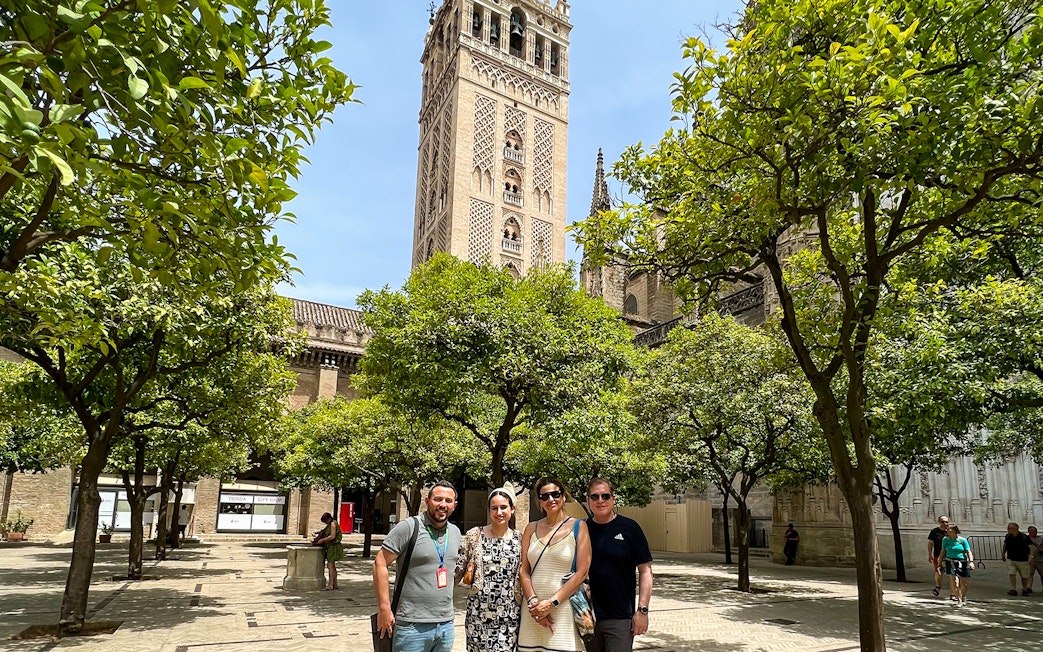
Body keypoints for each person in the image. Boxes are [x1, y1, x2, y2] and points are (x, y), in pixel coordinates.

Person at [374, 481, 461, 652]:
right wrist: (384, 609)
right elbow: (380, 563)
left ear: (455, 505)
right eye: (438, 499)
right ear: (427, 501)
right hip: (411, 626)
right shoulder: (409, 527)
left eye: (448, 501)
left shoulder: (455, 532)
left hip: (445, 625)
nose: (443, 505)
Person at [519, 476, 591, 652]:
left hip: (563, 609)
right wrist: (535, 605)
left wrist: (551, 604)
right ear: (539, 502)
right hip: (532, 611)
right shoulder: (531, 528)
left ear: (563, 497)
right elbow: (524, 570)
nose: (550, 499)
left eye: (555, 494)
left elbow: (582, 572)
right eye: (545, 496)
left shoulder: (578, 526)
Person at [585, 478, 653, 652]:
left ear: (613, 499)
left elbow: (645, 571)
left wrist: (642, 611)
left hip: (620, 618)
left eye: (605, 496)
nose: (600, 501)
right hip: (586, 617)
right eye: (595, 497)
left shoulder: (630, 528)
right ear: (588, 501)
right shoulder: (581, 530)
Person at [455, 483, 522, 652]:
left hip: (509, 612)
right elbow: (456, 570)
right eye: (494, 508)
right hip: (478, 612)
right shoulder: (474, 535)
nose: (499, 512)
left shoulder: (520, 539)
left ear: (512, 509)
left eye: (503, 507)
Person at [937, 524, 974, 605]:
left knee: (964, 582)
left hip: (962, 562)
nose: (947, 531)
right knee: (954, 581)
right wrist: (939, 562)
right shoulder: (945, 540)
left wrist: (971, 561)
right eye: (947, 530)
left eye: (949, 530)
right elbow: (943, 551)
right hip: (950, 561)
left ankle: (963, 596)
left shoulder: (963, 540)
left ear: (954, 531)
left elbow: (968, 551)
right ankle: (959, 600)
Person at [312, 512, 344, 590]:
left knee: (330, 566)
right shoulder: (331, 524)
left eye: (325, 521)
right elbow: (325, 531)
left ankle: (330, 585)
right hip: (331, 547)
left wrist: (322, 540)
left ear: (329, 519)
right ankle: (335, 584)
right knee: (332, 566)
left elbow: (332, 536)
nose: (325, 523)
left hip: (333, 547)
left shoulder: (333, 524)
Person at [1001, 521, 1033, 596]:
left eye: (1009, 528)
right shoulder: (1008, 536)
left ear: (1015, 529)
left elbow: (1031, 547)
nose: (1008, 530)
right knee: (1012, 573)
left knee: (1024, 576)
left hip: (1022, 559)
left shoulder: (1024, 536)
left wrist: (1031, 556)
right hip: (1011, 558)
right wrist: (1003, 554)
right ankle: (1013, 589)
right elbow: (1005, 545)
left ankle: (1025, 589)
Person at [926, 515, 951, 597]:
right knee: (939, 572)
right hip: (938, 555)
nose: (945, 523)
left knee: (953, 574)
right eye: (943, 521)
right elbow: (930, 543)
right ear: (939, 522)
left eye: (947, 521)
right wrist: (930, 555)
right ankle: (938, 586)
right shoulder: (934, 531)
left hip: (951, 555)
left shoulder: (951, 531)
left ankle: (954, 593)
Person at [1028, 525, 1043, 592]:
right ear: (1029, 532)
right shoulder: (1026, 539)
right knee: (1030, 574)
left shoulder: (1041, 538)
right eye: (1033, 531)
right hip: (1030, 560)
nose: (1034, 533)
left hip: (1040, 560)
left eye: (1035, 531)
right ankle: (1029, 587)